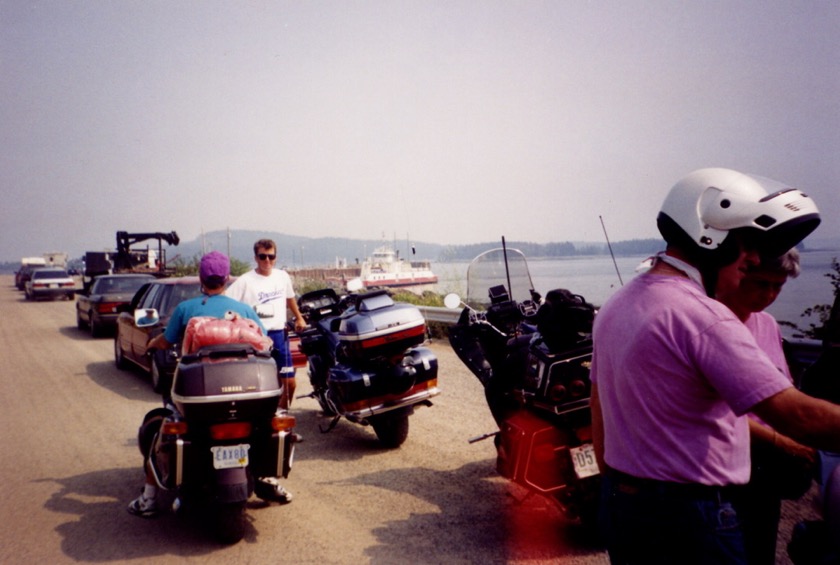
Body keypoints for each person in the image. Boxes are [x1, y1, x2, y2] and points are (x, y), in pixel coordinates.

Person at [589, 167, 840, 564]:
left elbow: (598, 404)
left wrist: (616, 488)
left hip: (625, 505)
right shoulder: (705, 318)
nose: (754, 258)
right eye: (746, 244)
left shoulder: (616, 306)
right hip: (689, 516)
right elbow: (797, 417)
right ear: (711, 238)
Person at [127, 251, 289, 517]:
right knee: (263, 425)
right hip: (245, 394)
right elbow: (262, 342)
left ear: (202, 278)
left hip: (201, 400)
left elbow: (166, 341)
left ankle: (148, 499)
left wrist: (153, 343)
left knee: (162, 432)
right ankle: (267, 477)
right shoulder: (244, 310)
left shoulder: (186, 309)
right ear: (226, 279)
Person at [717, 249, 816, 564]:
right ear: (740, 273)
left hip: (766, 469)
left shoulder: (767, 325)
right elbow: (717, 416)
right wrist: (782, 442)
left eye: (778, 287)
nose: (769, 295)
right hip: (726, 466)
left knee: (761, 550)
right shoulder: (714, 325)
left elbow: (782, 387)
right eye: (761, 283)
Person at [225, 239, 306, 410]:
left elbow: (290, 298)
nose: (267, 261)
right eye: (263, 257)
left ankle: (281, 417)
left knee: (289, 382)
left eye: (271, 256)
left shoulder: (282, 276)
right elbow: (226, 303)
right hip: (255, 338)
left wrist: (299, 317)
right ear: (256, 258)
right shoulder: (245, 281)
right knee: (259, 385)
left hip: (279, 336)